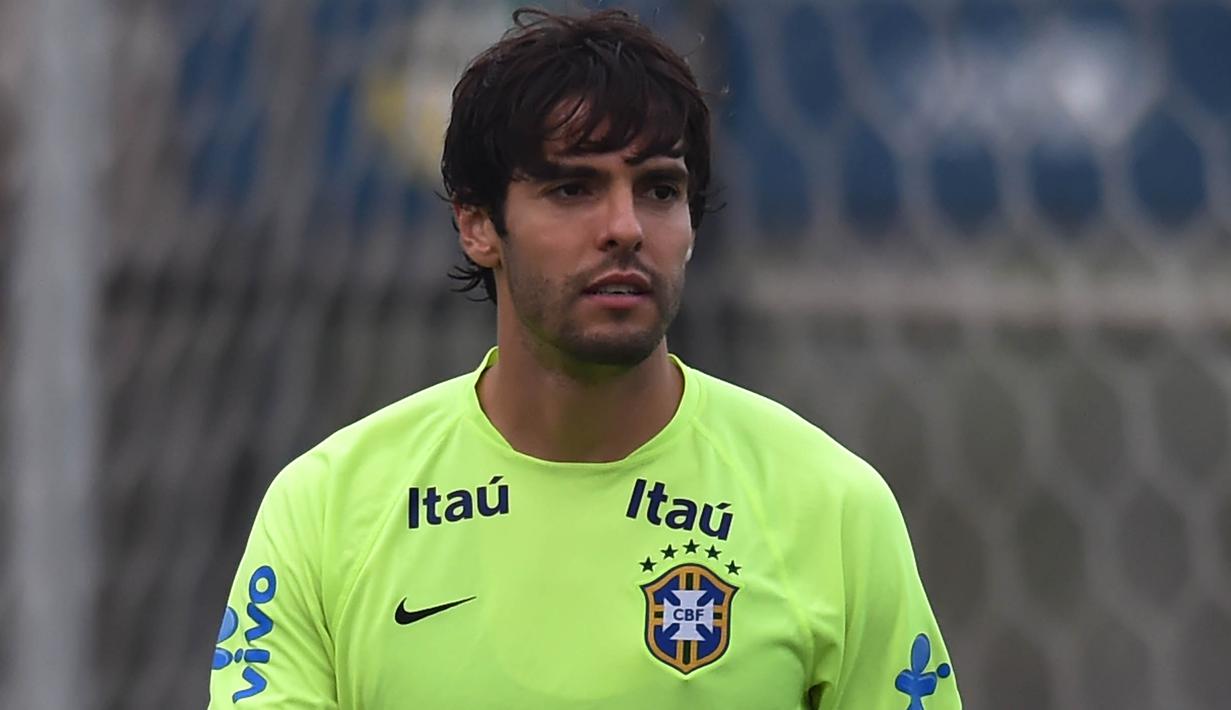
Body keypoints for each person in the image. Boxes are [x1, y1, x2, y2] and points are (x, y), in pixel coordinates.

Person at [208, 7, 961, 709]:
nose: (625, 227)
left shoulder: (828, 507)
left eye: (660, 189)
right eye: (573, 187)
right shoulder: (329, 508)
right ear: (477, 223)